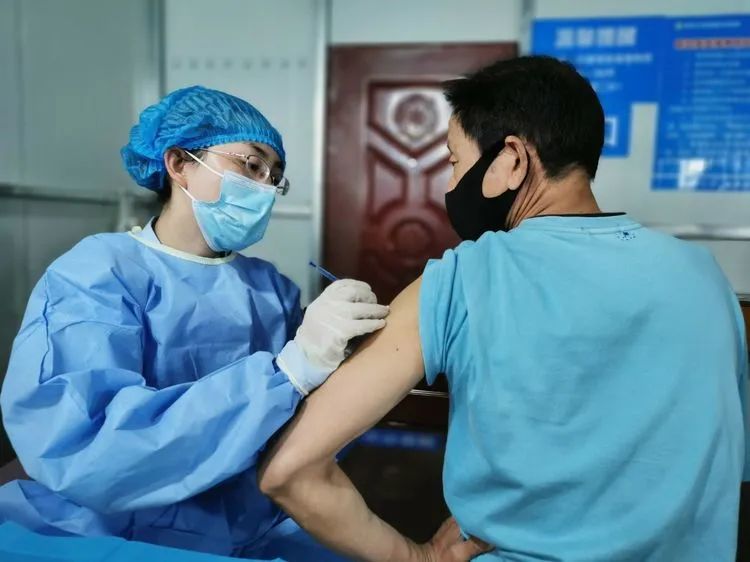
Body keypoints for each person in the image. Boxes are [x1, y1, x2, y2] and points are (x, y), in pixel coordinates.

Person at [258, 56, 749, 561]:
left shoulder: (464, 277)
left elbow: (290, 470)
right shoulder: (704, 278)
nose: (451, 185)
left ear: (512, 159)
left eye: (454, 161)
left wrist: (418, 557)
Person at [0, 85, 390, 560]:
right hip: (105, 526)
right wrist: (288, 372)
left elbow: (306, 429)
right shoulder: (97, 273)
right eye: (252, 165)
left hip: (249, 520)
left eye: (275, 176)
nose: (265, 187)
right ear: (179, 164)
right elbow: (90, 447)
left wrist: (341, 351)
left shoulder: (270, 288)